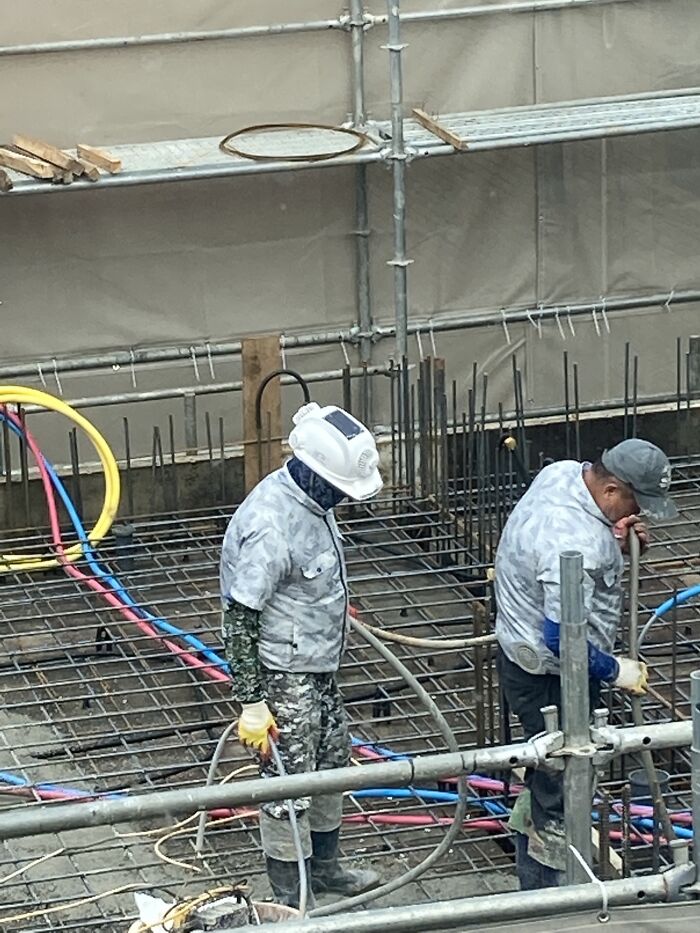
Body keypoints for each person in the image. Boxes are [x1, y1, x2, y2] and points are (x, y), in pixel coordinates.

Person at [494, 437, 677, 890]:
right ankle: (549, 897)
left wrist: (615, 542)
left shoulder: (563, 473)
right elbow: (562, 641)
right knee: (562, 786)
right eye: (636, 503)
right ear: (611, 490)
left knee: (545, 775)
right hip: (549, 675)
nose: (641, 513)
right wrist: (616, 670)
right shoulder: (573, 541)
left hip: (524, 653)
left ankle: (540, 864)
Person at [219, 402, 383, 908]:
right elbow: (239, 617)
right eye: (338, 488)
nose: (343, 498)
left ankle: (326, 869)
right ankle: (293, 897)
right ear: (313, 471)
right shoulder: (271, 525)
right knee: (287, 784)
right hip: (284, 673)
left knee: (331, 762)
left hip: (318, 663)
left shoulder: (314, 501)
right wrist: (251, 701)